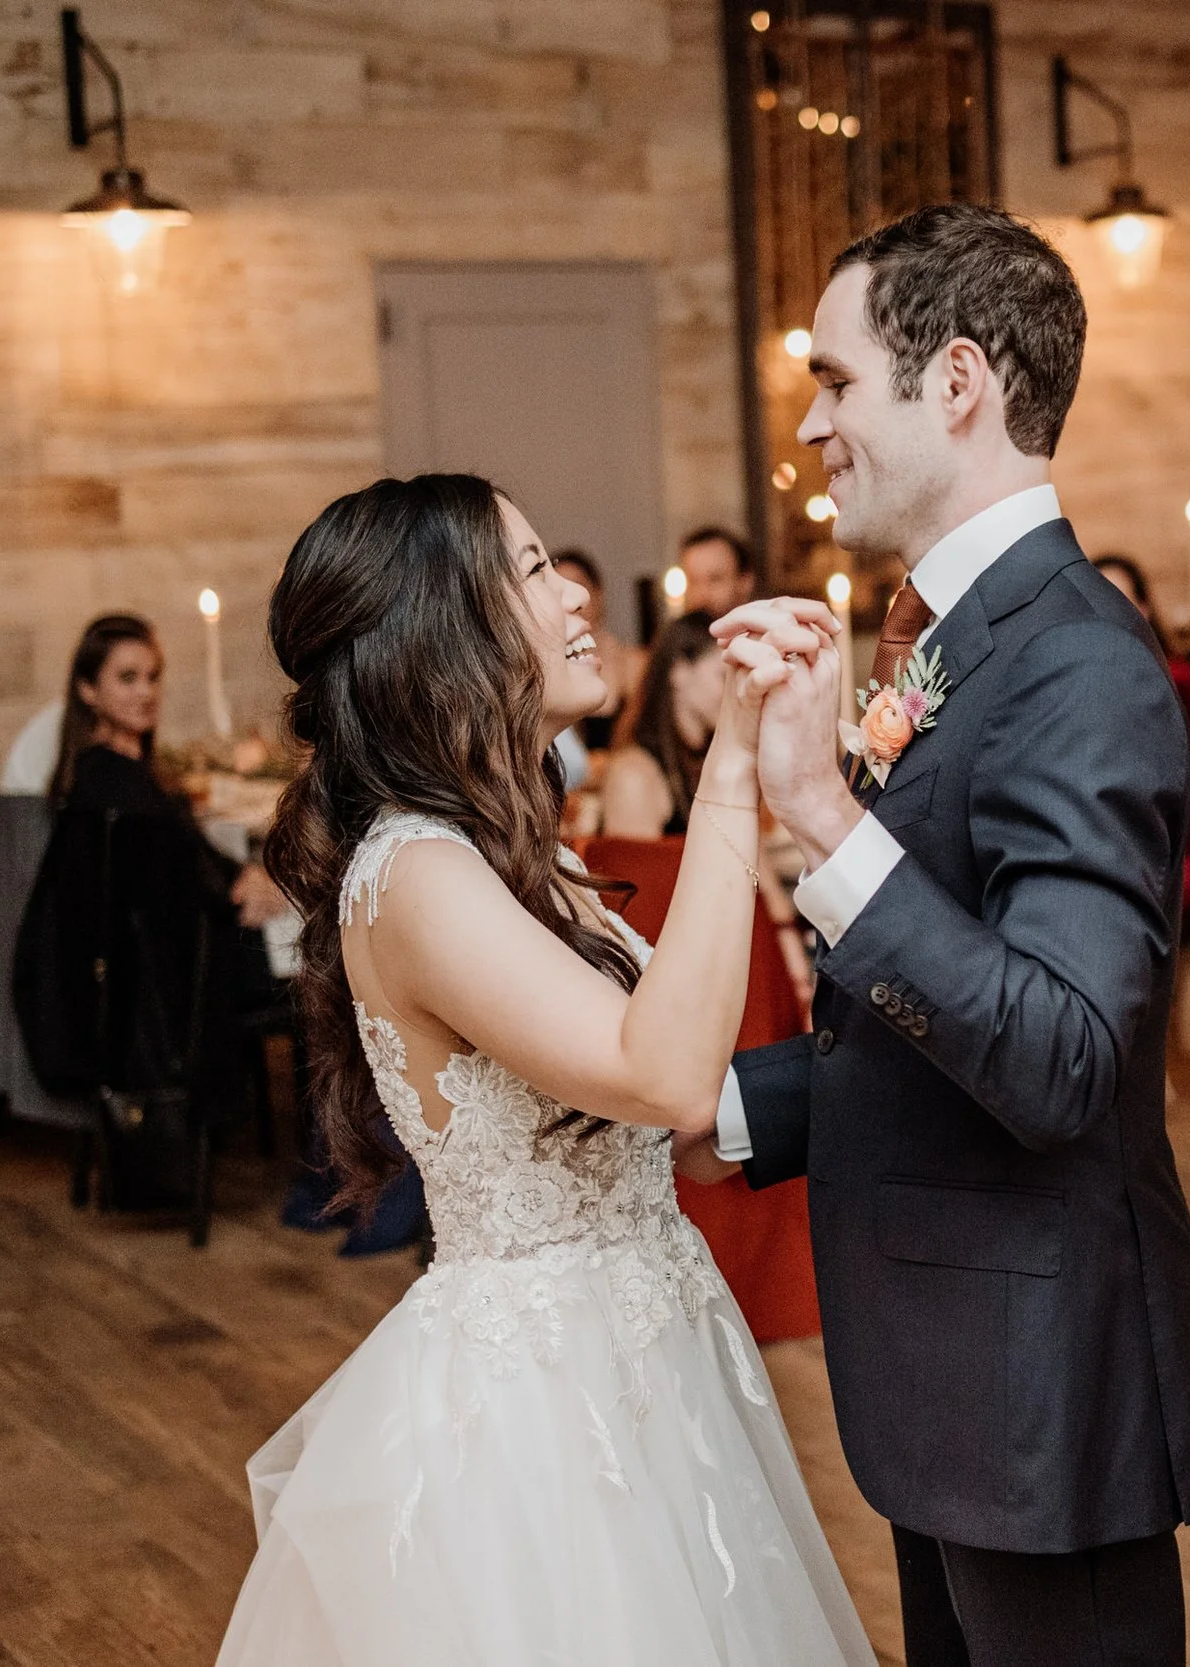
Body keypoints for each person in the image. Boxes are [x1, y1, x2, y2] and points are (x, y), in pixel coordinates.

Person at [216, 474, 867, 1666]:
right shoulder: (413, 870)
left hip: (653, 1348)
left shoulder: (525, 856)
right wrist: (729, 766)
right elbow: (664, 1069)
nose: (574, 590)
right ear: (440, 633)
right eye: (528, 569)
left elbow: (669, 1103)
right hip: (539, 1414)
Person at [694, 203, 1190, 1667]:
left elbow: (1060, 1055)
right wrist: (725, 1108)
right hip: (958, 1373)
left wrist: (818, 805)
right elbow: (924, 1012)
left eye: (834, 380)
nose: (808, 425)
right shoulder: (955, 637)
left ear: (960, 381)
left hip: (1042, 1390)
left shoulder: (1079, 658)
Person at [44, 614, 289, 929]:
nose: (146, 692)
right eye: (128, 678)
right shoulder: (107, 780)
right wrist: (241, 886)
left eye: (153, 676)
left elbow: (188, 856)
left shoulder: (131, 772)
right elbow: (176, 876)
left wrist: (241, 876)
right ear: (88, 690)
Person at [1093, 554, 1190, 929]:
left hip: (1158, 842)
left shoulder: (1175, 677)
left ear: (1144, 609)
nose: (1108, 610)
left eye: (1122, 599)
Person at [599, 610, 723, 838]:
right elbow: (637, 873)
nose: (735, 693)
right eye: (723, 677)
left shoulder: (710, 761)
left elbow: (753, 865)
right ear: (680, 671)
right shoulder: (634, 776)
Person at [552, 548, 635, 750]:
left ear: (598, 594)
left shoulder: (632, 663)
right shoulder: (550, 674)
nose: (572, 603)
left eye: (578, 586)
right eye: (558, 594)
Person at [679, 524, 758, 617]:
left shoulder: (771, 629)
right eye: (693, 581)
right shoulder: (678, 629)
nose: (702, 595)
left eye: (715, 579)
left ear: (745, 582)